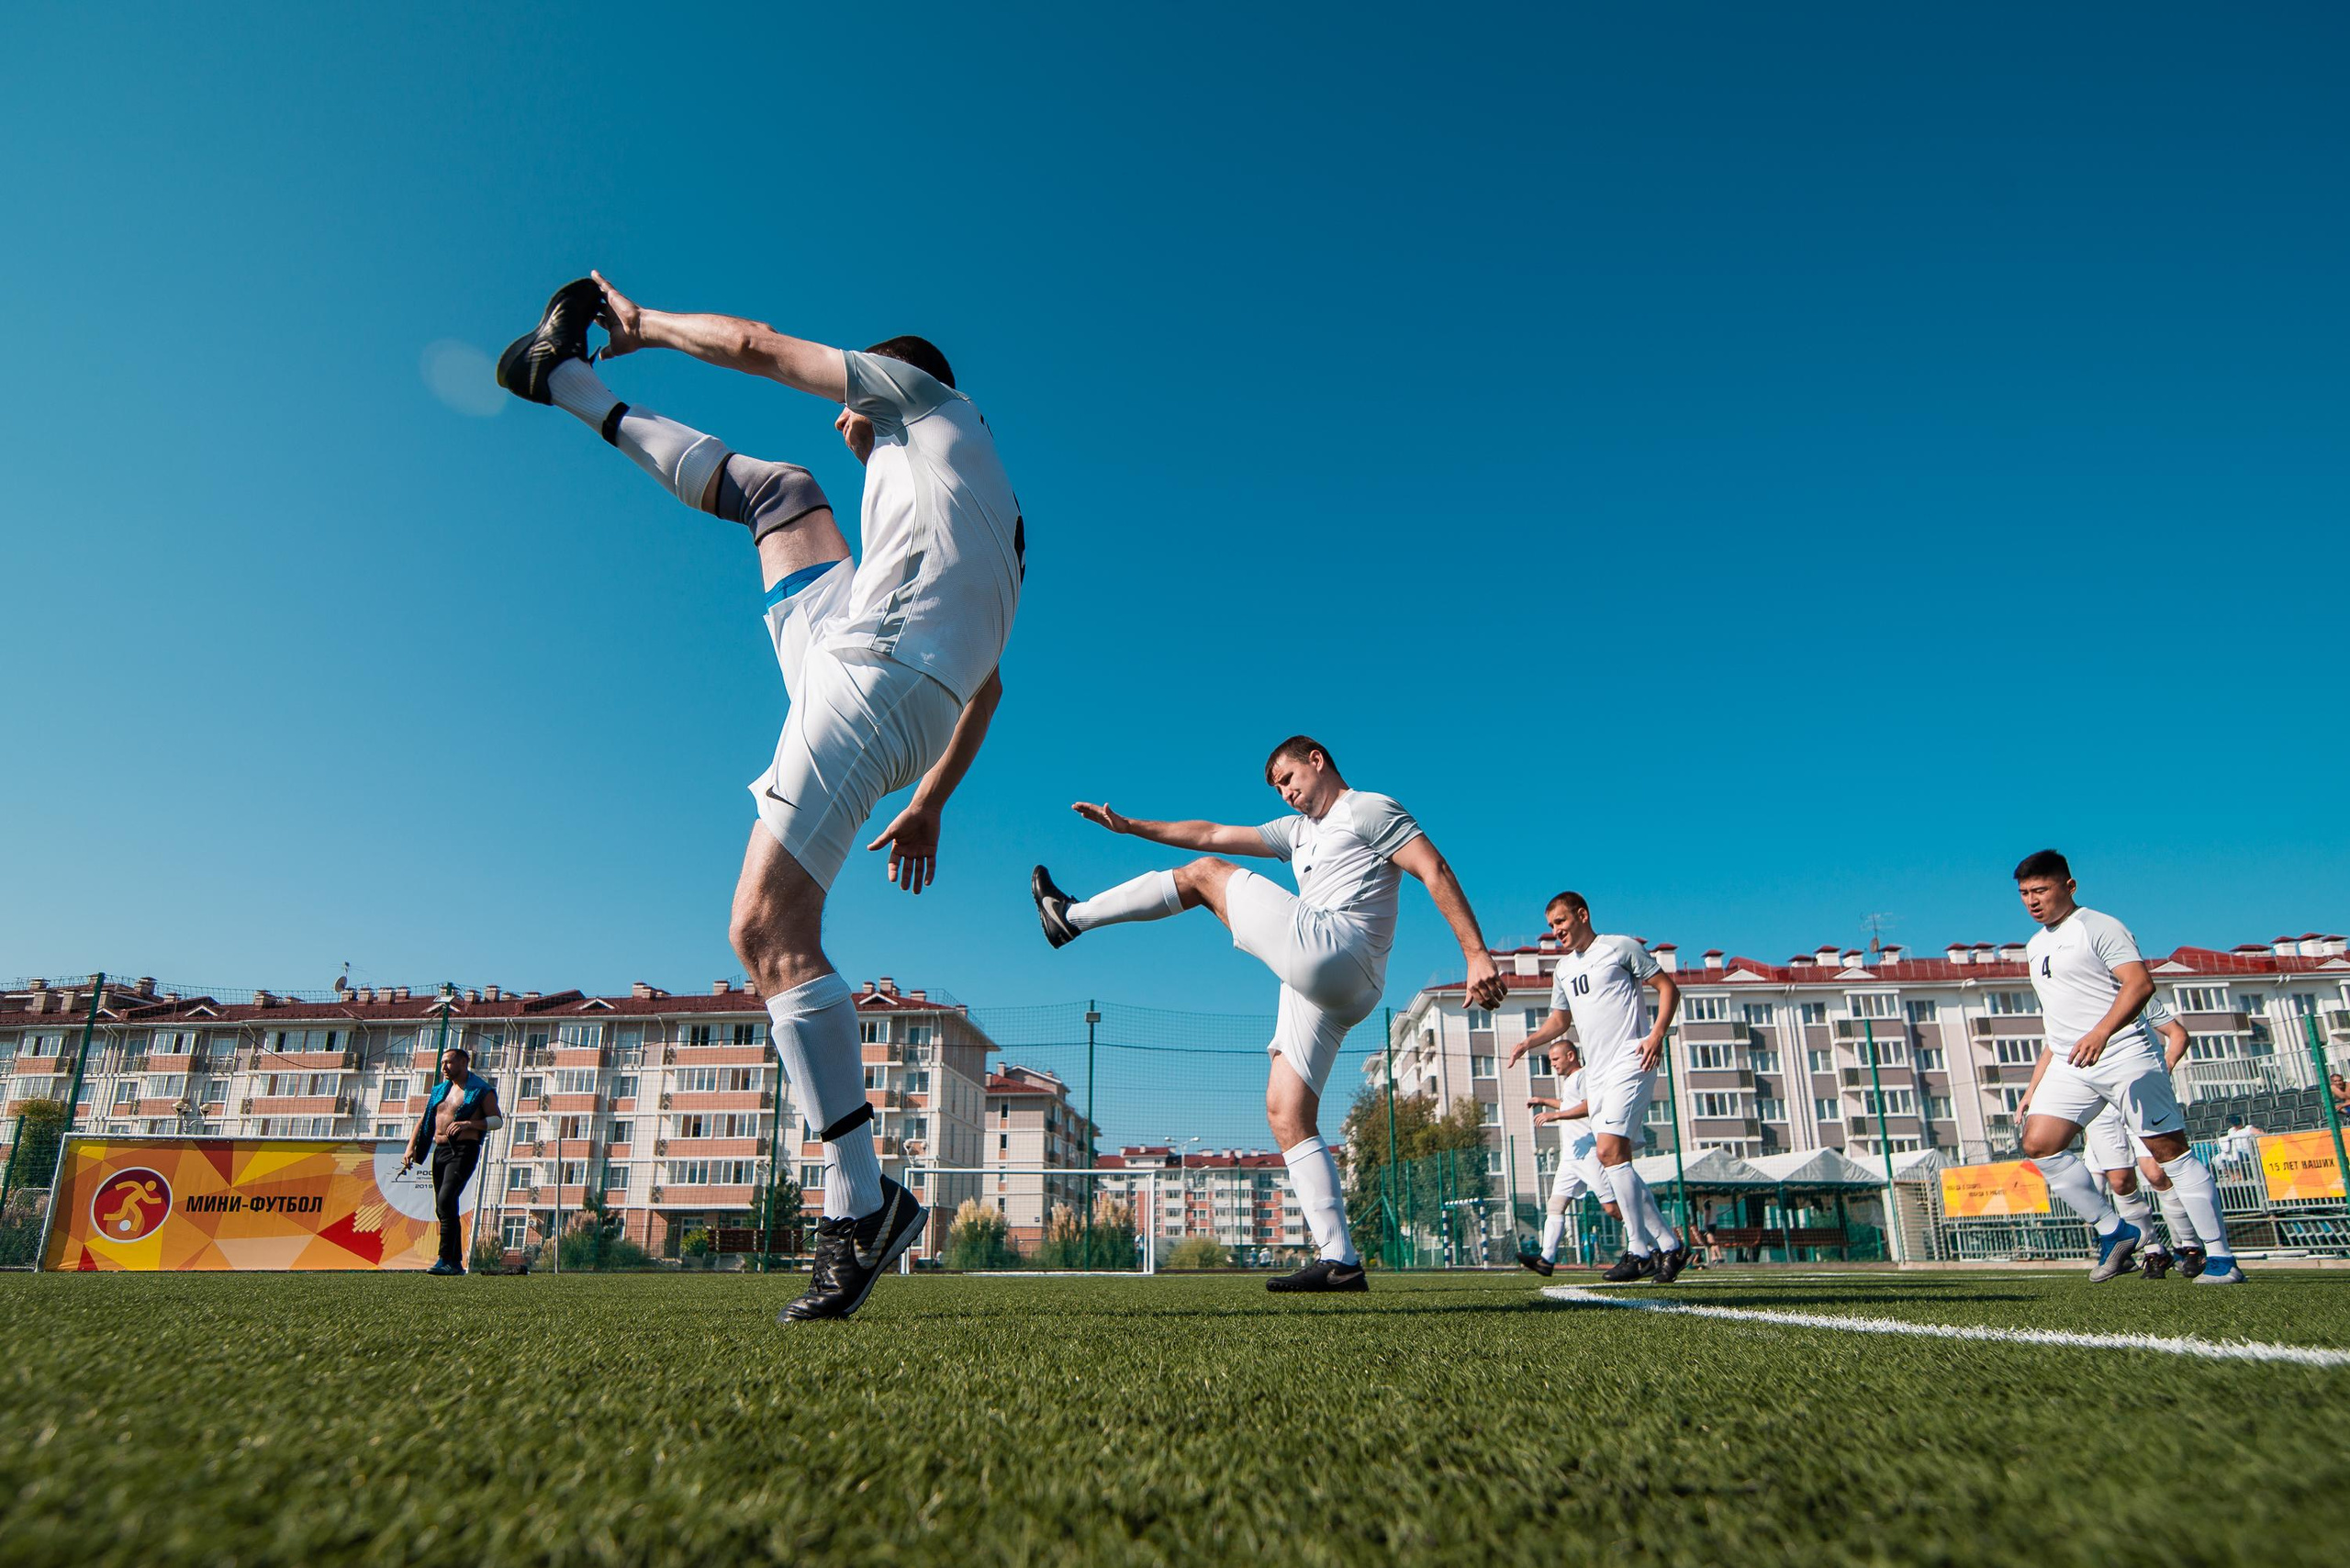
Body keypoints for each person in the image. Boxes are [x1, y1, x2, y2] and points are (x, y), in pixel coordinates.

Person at [496, 276, 1023, 1322]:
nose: (842, 418)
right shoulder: (977, 501)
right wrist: (929, 801)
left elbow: (757, 343)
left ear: (889, 381)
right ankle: (564, 385)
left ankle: (860, 1204)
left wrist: (646, 328)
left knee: (766, 929)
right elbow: (990, 685)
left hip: (872, 677)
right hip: (883, 660)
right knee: (780, 491)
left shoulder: (919, 399)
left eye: (854, 403)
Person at [1032, 737, 1506, 1292]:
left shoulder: (1367, 808)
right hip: (1329, 986)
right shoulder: (1296, 832)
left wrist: (1476, 954)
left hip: (1340, 949)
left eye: (1288, 778)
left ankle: (1071, 917)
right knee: (1286, 1111)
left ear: (1317, 760)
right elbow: (1210, 832)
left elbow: (1433, 867)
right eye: (1277, 788)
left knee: (1206, 874)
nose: (1285, 793)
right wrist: (1131, 826)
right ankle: (1340, 1260)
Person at [2011, 850, 2242, 1284]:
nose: (2032, 901)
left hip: (2124, 1055)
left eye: (2040, 890)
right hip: (2071, 1062)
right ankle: (2115, 1231)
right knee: (2039, 1144)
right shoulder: (2035, 944)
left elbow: (2140, 984)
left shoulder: (2100, 926)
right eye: (2024, 893)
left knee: (2168, 1155)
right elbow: (2056, 1021)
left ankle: (2220, 1258)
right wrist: (2035, 1085)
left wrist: (2102, 1032)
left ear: (2069, 886)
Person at [1506, 893, 1688, 1284]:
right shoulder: (1563, 969)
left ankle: (1639, 1251)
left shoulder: (1619, 947)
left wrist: (1657, 1034)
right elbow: (1560, 1021)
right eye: (1551, 926)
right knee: (1617, 1161)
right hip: (1598, 1073)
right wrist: (1528, 1042)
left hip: (1632, 1059)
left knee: (1608, 1151)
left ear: (1582, 915)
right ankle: (1670, 1246)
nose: (1556, 931)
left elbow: (1667, 988)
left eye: (1560, 921)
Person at [2026, 997, 2214, 1278]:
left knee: (2156, 1173)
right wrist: (2032, 1092)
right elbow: (2052, 1049)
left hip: (2136, 1089)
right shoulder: (2068, 1001)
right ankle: (2153, 1251)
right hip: (2096, 1102)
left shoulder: (2130, 995)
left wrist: (2165, 1066)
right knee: (2120, 1182)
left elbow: (2177, 1034)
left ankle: (2188, 1246)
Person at [1517, 1038, 1619, 1276]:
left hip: (1588, 1153)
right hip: (1571, 1156)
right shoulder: (1570, 1081)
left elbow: (1589, 1105)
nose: (1552, 1064)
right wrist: (1543, 1101)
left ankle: (1654, 1246)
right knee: (1555, 1205)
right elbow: (1568, 1104)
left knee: (1612, 1209)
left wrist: (1555, 1116)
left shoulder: (1584, 1076)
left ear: (1571, 1056)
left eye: (1555, 1059)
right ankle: (1546, 1260)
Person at [401, 1047, 503, 1275]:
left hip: (464, 1150)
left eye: (448, 1062)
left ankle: (445, 1259)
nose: (444, 1067)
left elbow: (497, 1120)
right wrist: (411, 1147)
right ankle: (454, 1263)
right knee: (443, 1207)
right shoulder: (440, 1090)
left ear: (464, 1063)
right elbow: (425, 1120)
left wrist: (469, 1124)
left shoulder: (480, 1090)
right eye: (442, 1063)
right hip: (440, 1151)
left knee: (446, 1200)